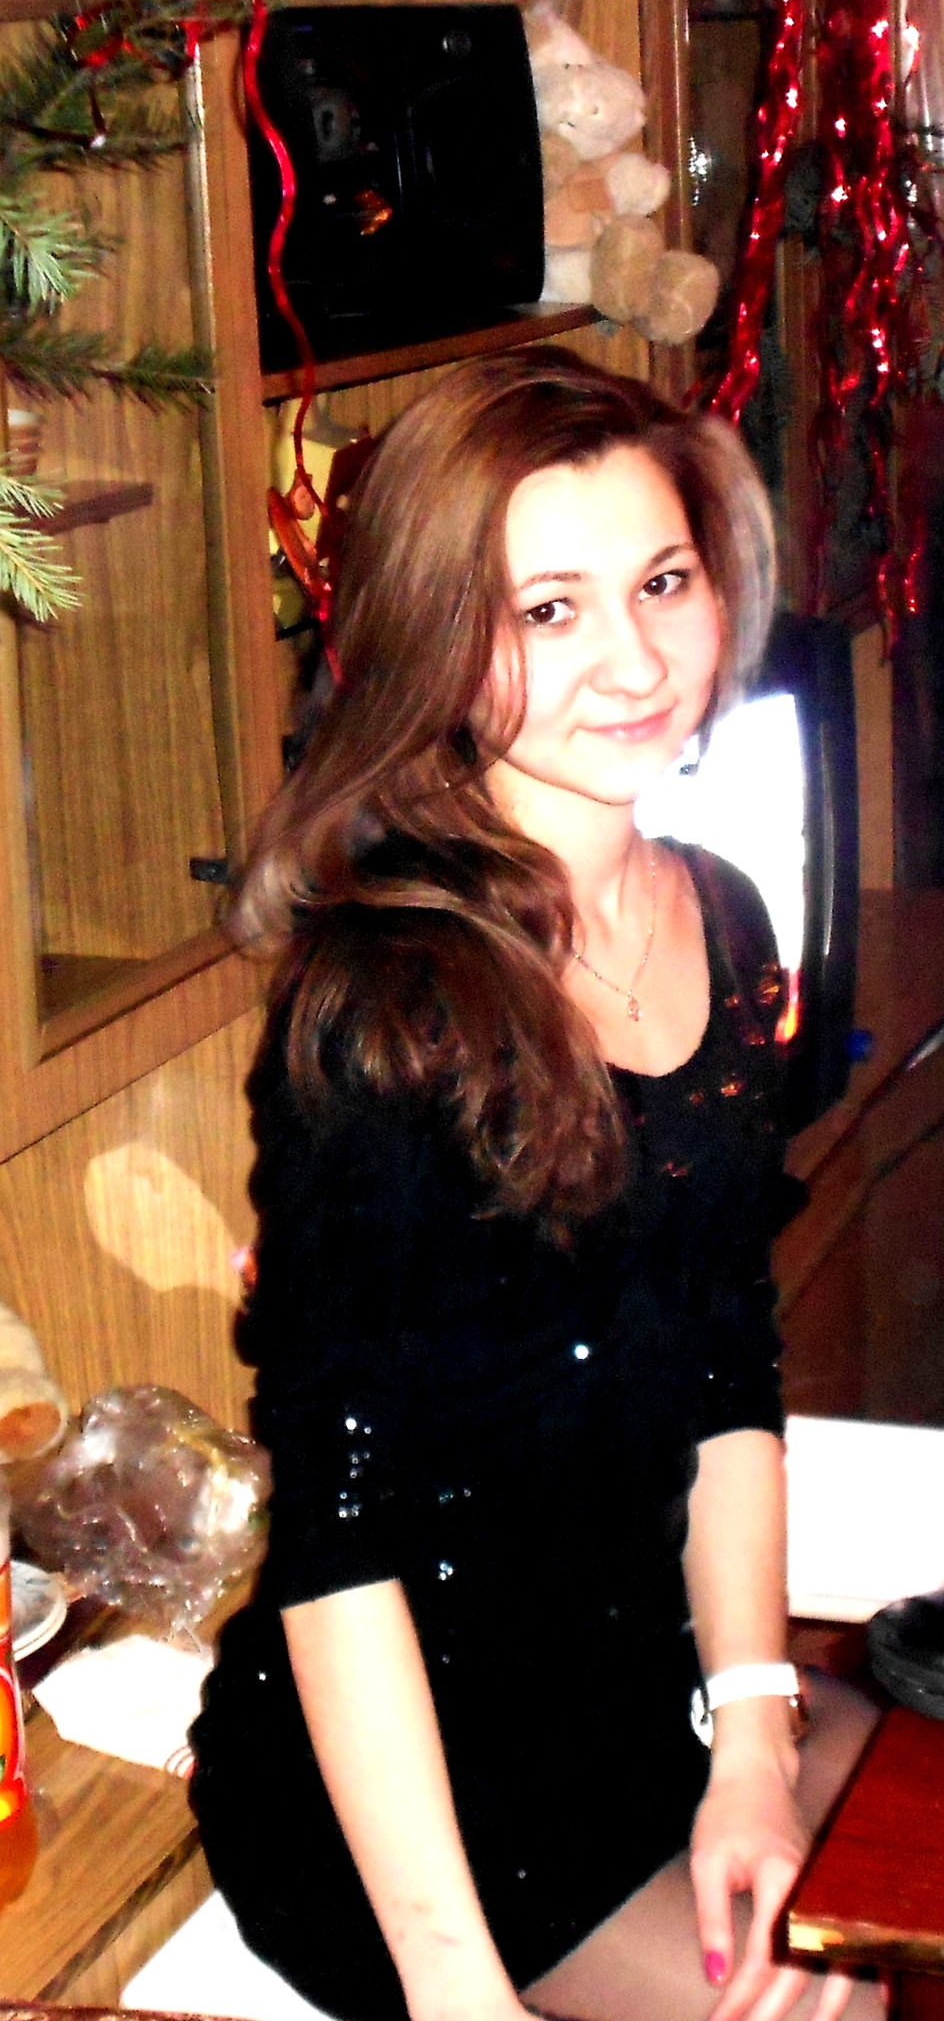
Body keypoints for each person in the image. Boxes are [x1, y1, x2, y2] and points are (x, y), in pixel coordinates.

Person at [189, 347, 882, 2021]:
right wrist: (457, 1989)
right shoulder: (389, 1010)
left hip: (635, 1688)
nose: (634, 661)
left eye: (662, 582)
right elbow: (339, 1538)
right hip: (409, 1790)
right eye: (548, 612)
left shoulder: (722, 914)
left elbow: (724, 1370)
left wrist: (753, 1733)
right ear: (439, 642)